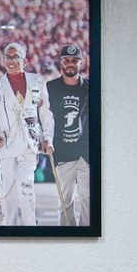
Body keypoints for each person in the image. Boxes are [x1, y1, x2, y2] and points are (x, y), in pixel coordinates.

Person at [0, 42, 54, 226]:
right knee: (8, 195)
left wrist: (48, 138)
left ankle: (31, 229)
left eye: (15, 56)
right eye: (7, 57)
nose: (11, 60)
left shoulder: (38, 81)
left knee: (25, 188)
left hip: (30, 144)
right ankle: (6, 232)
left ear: (24, 60)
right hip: (6, 146)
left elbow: (45, 113)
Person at [47, 44, 90, 226]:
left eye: (74, 60)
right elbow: (45, 118)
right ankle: (69, 240)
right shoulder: (50, 88)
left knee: (88, 200)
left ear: (81, 63)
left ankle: (88, 240)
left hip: (86, 154)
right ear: (61, 63)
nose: (70, 64)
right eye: (66, 60)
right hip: (63, 153)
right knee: (65, 203)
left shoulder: (90, 87)